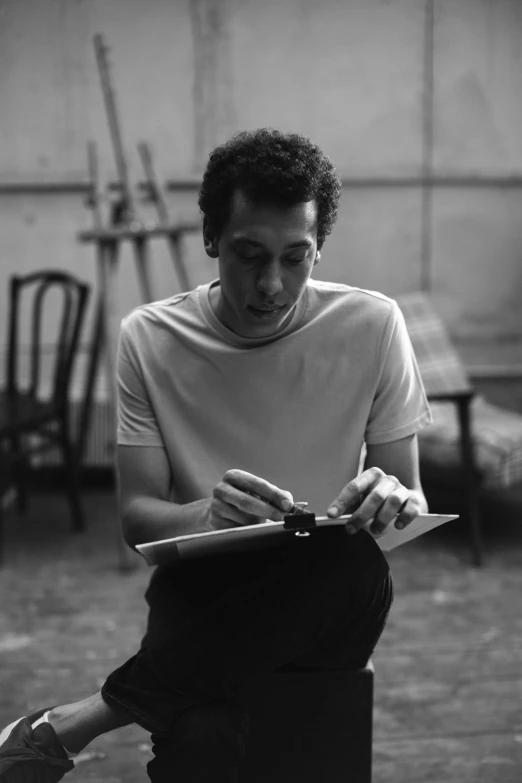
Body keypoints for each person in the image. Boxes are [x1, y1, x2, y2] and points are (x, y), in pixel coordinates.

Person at [0, 127, 432, 783]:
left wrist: (395, 496)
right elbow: (138, 518)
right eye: (248, 254)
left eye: (297, 257)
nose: (272, 284)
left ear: (320, 249)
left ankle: (79, 720)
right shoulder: (149, 336)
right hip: (201, 590)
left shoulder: (373, 325)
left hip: (331, 595)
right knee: (200, 733)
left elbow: (413, 494)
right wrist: (207, 514)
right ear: (210, 240)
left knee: (347, 557)